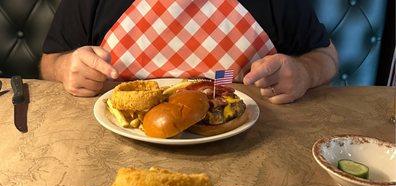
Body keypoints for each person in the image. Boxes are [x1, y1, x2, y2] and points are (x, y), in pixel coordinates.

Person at [40, 0, 338, 104]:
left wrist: (303, 73)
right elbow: (49, 62)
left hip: (247, 147)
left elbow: (326, 57)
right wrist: (67, 67)